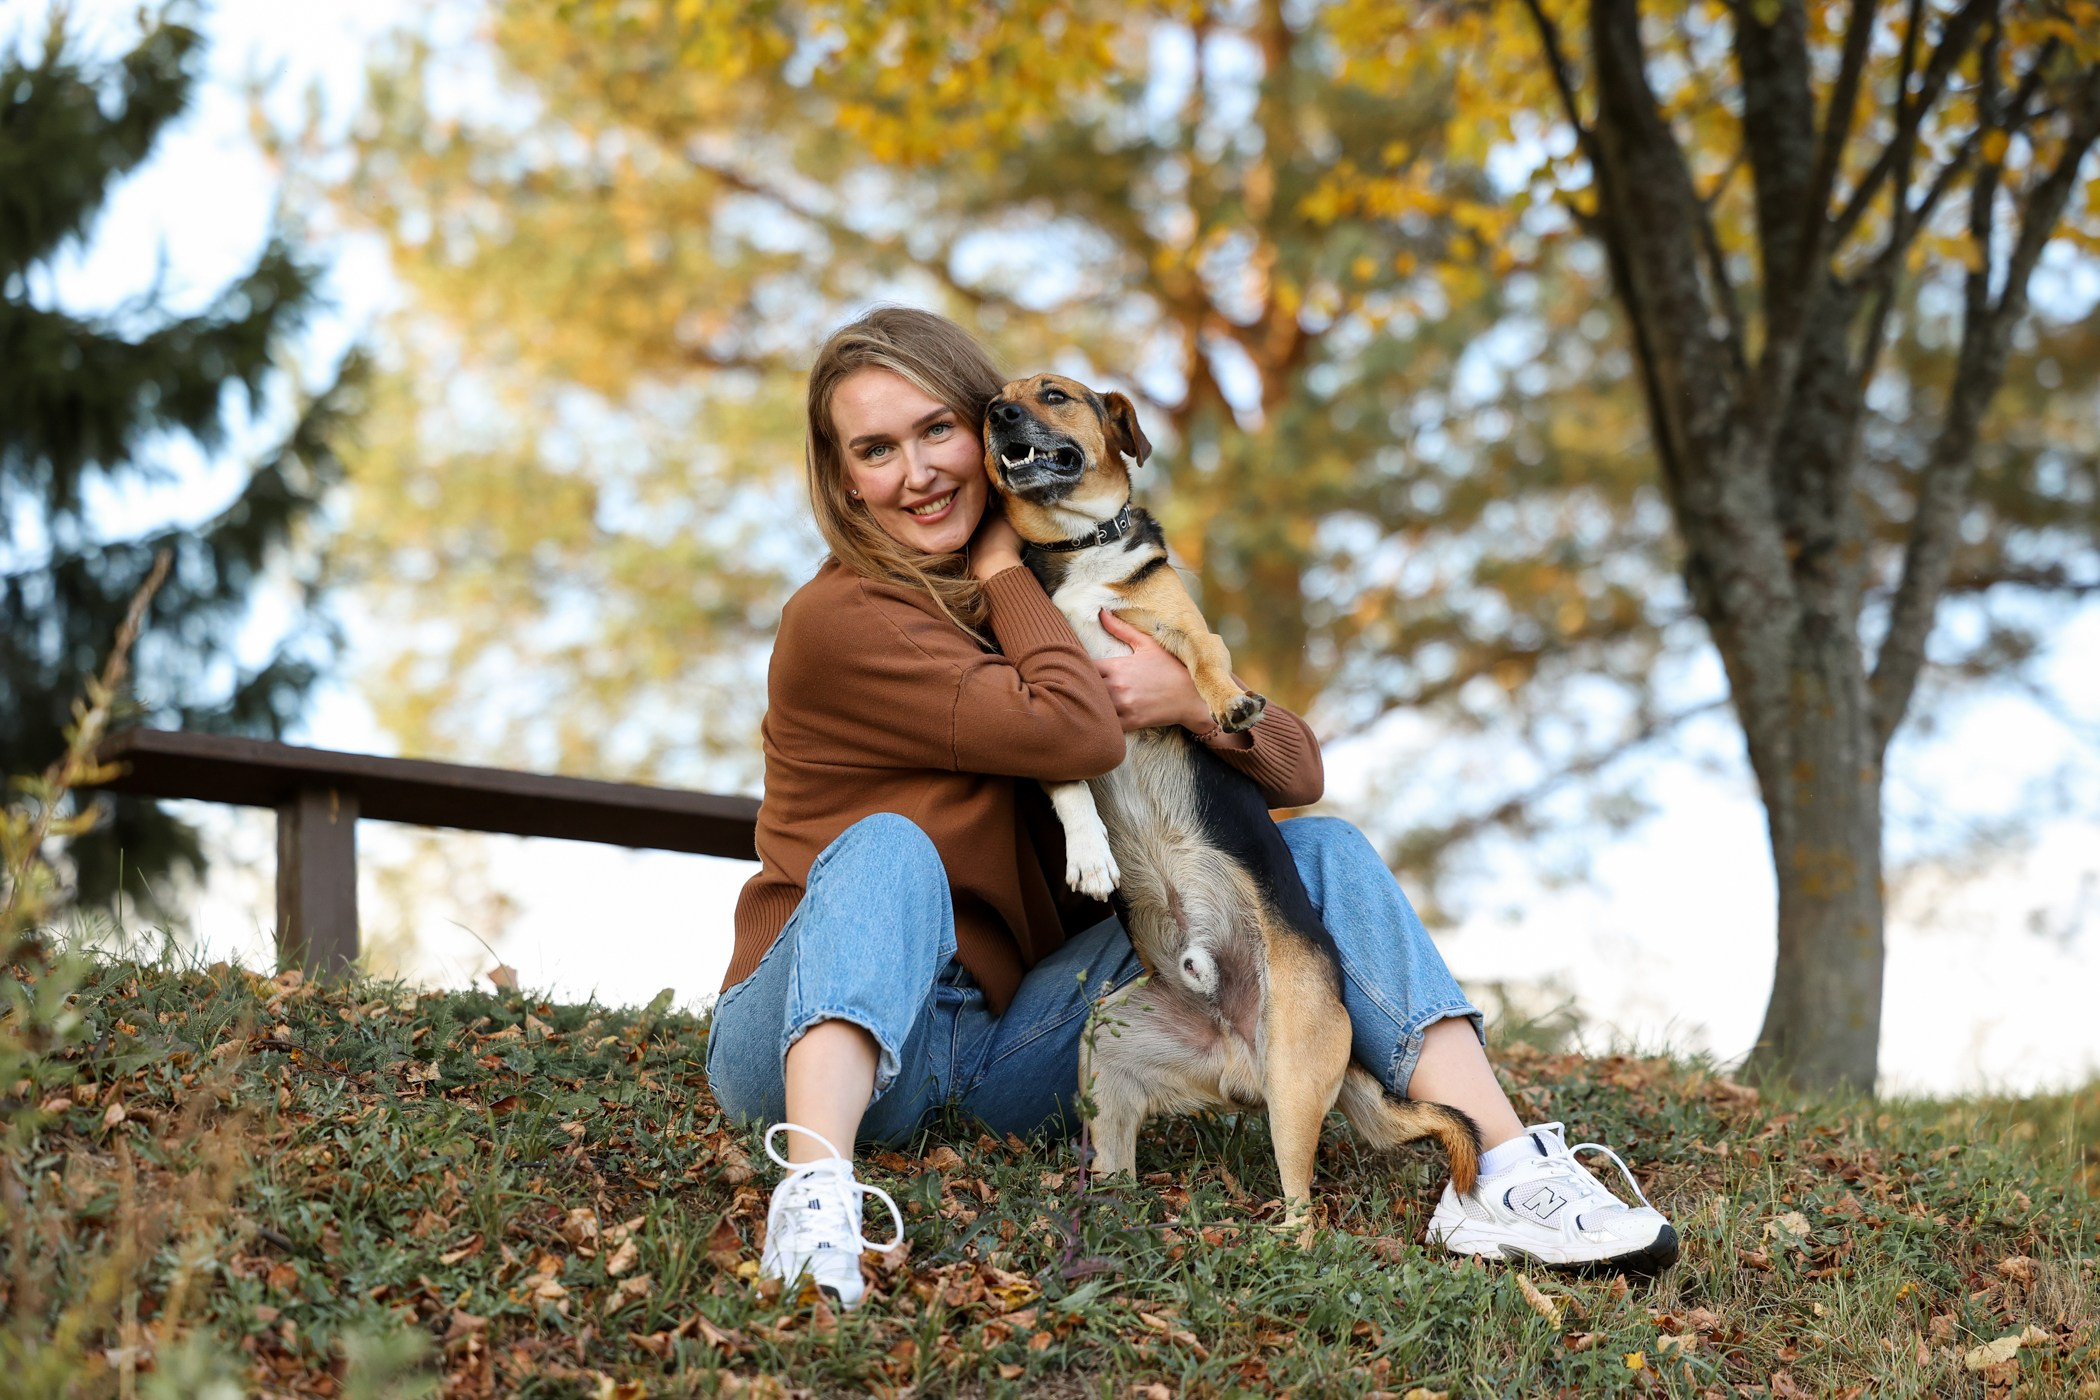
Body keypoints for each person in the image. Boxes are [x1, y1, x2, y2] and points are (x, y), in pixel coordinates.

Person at [704, 307, 1678, 1308]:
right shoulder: (847, 619)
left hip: (998, 1042)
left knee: (1326, 854)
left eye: (937, 431)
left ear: (989, 433)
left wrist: (1188, 705)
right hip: (799, 1035)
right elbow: (1074, 735)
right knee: (891, 850)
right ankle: (816, 1196)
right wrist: (1005, 571)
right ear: (842, 478)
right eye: (875, 449)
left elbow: (1297, 773)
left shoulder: (1062, 595)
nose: (916, 473)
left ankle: (1509, 1170)